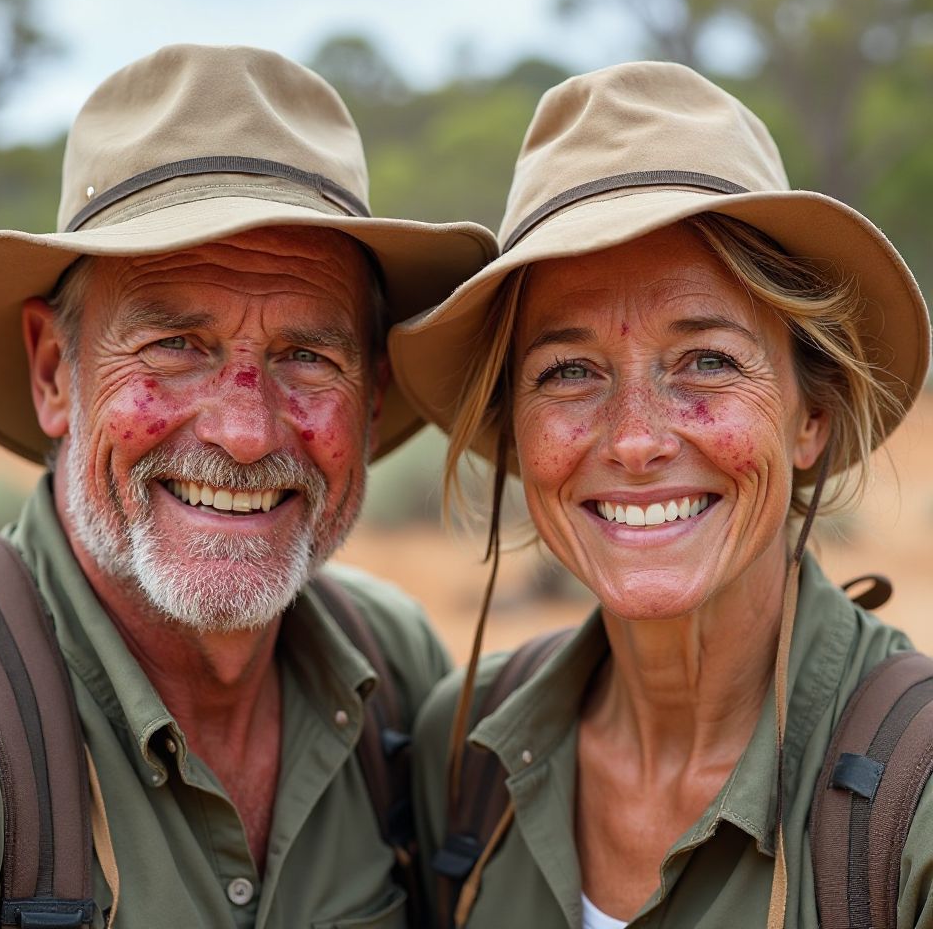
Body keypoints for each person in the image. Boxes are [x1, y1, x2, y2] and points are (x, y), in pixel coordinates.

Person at [0, 44, 497, 928]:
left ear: (372, 400)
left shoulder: (394, 674)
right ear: (54, 372)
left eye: (307, 356)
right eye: (175, 346)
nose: (246, 431)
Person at [389, 62, 933, 927]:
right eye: (569, 372)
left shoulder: (913, 795)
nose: (637, 440)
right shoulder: (463, 755)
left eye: (708, 360)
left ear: (811, 416)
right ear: (519, 440)